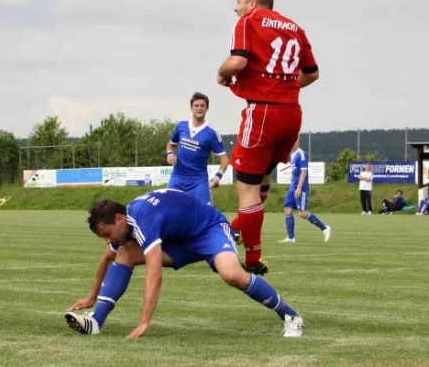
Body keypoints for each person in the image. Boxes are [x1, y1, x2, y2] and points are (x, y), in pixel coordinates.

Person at [64, 189, 304, 339]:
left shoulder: (142, 220)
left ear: (118, 218)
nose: (107, 240)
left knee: (232, 275)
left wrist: (145, 321)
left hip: (209, 230)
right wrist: (91, 297)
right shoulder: (126, 223)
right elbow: (107, 257)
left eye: (106, 234)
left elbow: (154, 275)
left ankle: (291, 316)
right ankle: (96, 321)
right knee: (124, 252)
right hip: (179, 240)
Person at [216, 0, 320, 275]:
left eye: (238, 2)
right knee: (260, 181)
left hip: (263, 112)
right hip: (291, 114)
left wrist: (221, 74)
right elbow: (312, 73)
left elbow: (237, 62)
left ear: (251, 3)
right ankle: (235, 229)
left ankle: (252, 258)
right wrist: (283, 86)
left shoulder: (248, 22)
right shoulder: (295, 28)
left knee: (245, 187)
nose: (235, 8)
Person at [165, 92, 229, 205]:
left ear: (207, 108)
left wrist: (218, 177)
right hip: (178, 176)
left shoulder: (212, 133)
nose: (199, 108)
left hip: (198, 180)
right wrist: (170, 153)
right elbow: (170, 144)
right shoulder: (181, 126)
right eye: (196, 105)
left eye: (202, 106)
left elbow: (224, 158)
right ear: (191, 108)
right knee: (169, 210)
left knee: (205, 213)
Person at [278, 140, 331, 243]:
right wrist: (291, 183)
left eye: (295, 141)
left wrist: (298, 188)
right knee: (287, 209)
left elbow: (304, 171)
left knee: (302, 214)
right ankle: (291, 237)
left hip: (300, 188)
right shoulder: (292, 154)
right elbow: (294, 171)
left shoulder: (302, 154)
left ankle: (325, 228)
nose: (293, 143)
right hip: (293, 186)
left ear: (298, 142)